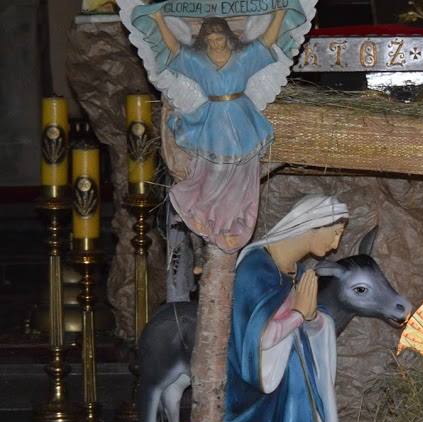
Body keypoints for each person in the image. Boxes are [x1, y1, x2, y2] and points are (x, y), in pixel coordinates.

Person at [122, 2, 309, 252]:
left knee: (243, 174)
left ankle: (234, 224)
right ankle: (205, 214)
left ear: (228, 37)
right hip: (213, 124)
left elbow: (266, 42)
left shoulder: (243, 59)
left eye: (219, 38)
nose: (216, 43)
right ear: (204, 41)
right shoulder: (198, 63)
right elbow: (174, 49)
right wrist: (158, 19)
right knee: (214, 171)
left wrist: (279, 14)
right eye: (210, 40)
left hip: (241, 120)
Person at [224, 195, 348, 422]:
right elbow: (258, 340)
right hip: (257, 397)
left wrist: (314, 319)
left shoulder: (297, 271)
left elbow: (305, 325)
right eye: (335, 233)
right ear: (314, 224)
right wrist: (299, 315)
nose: (335, 245)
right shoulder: (255, 268)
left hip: (294, 392)